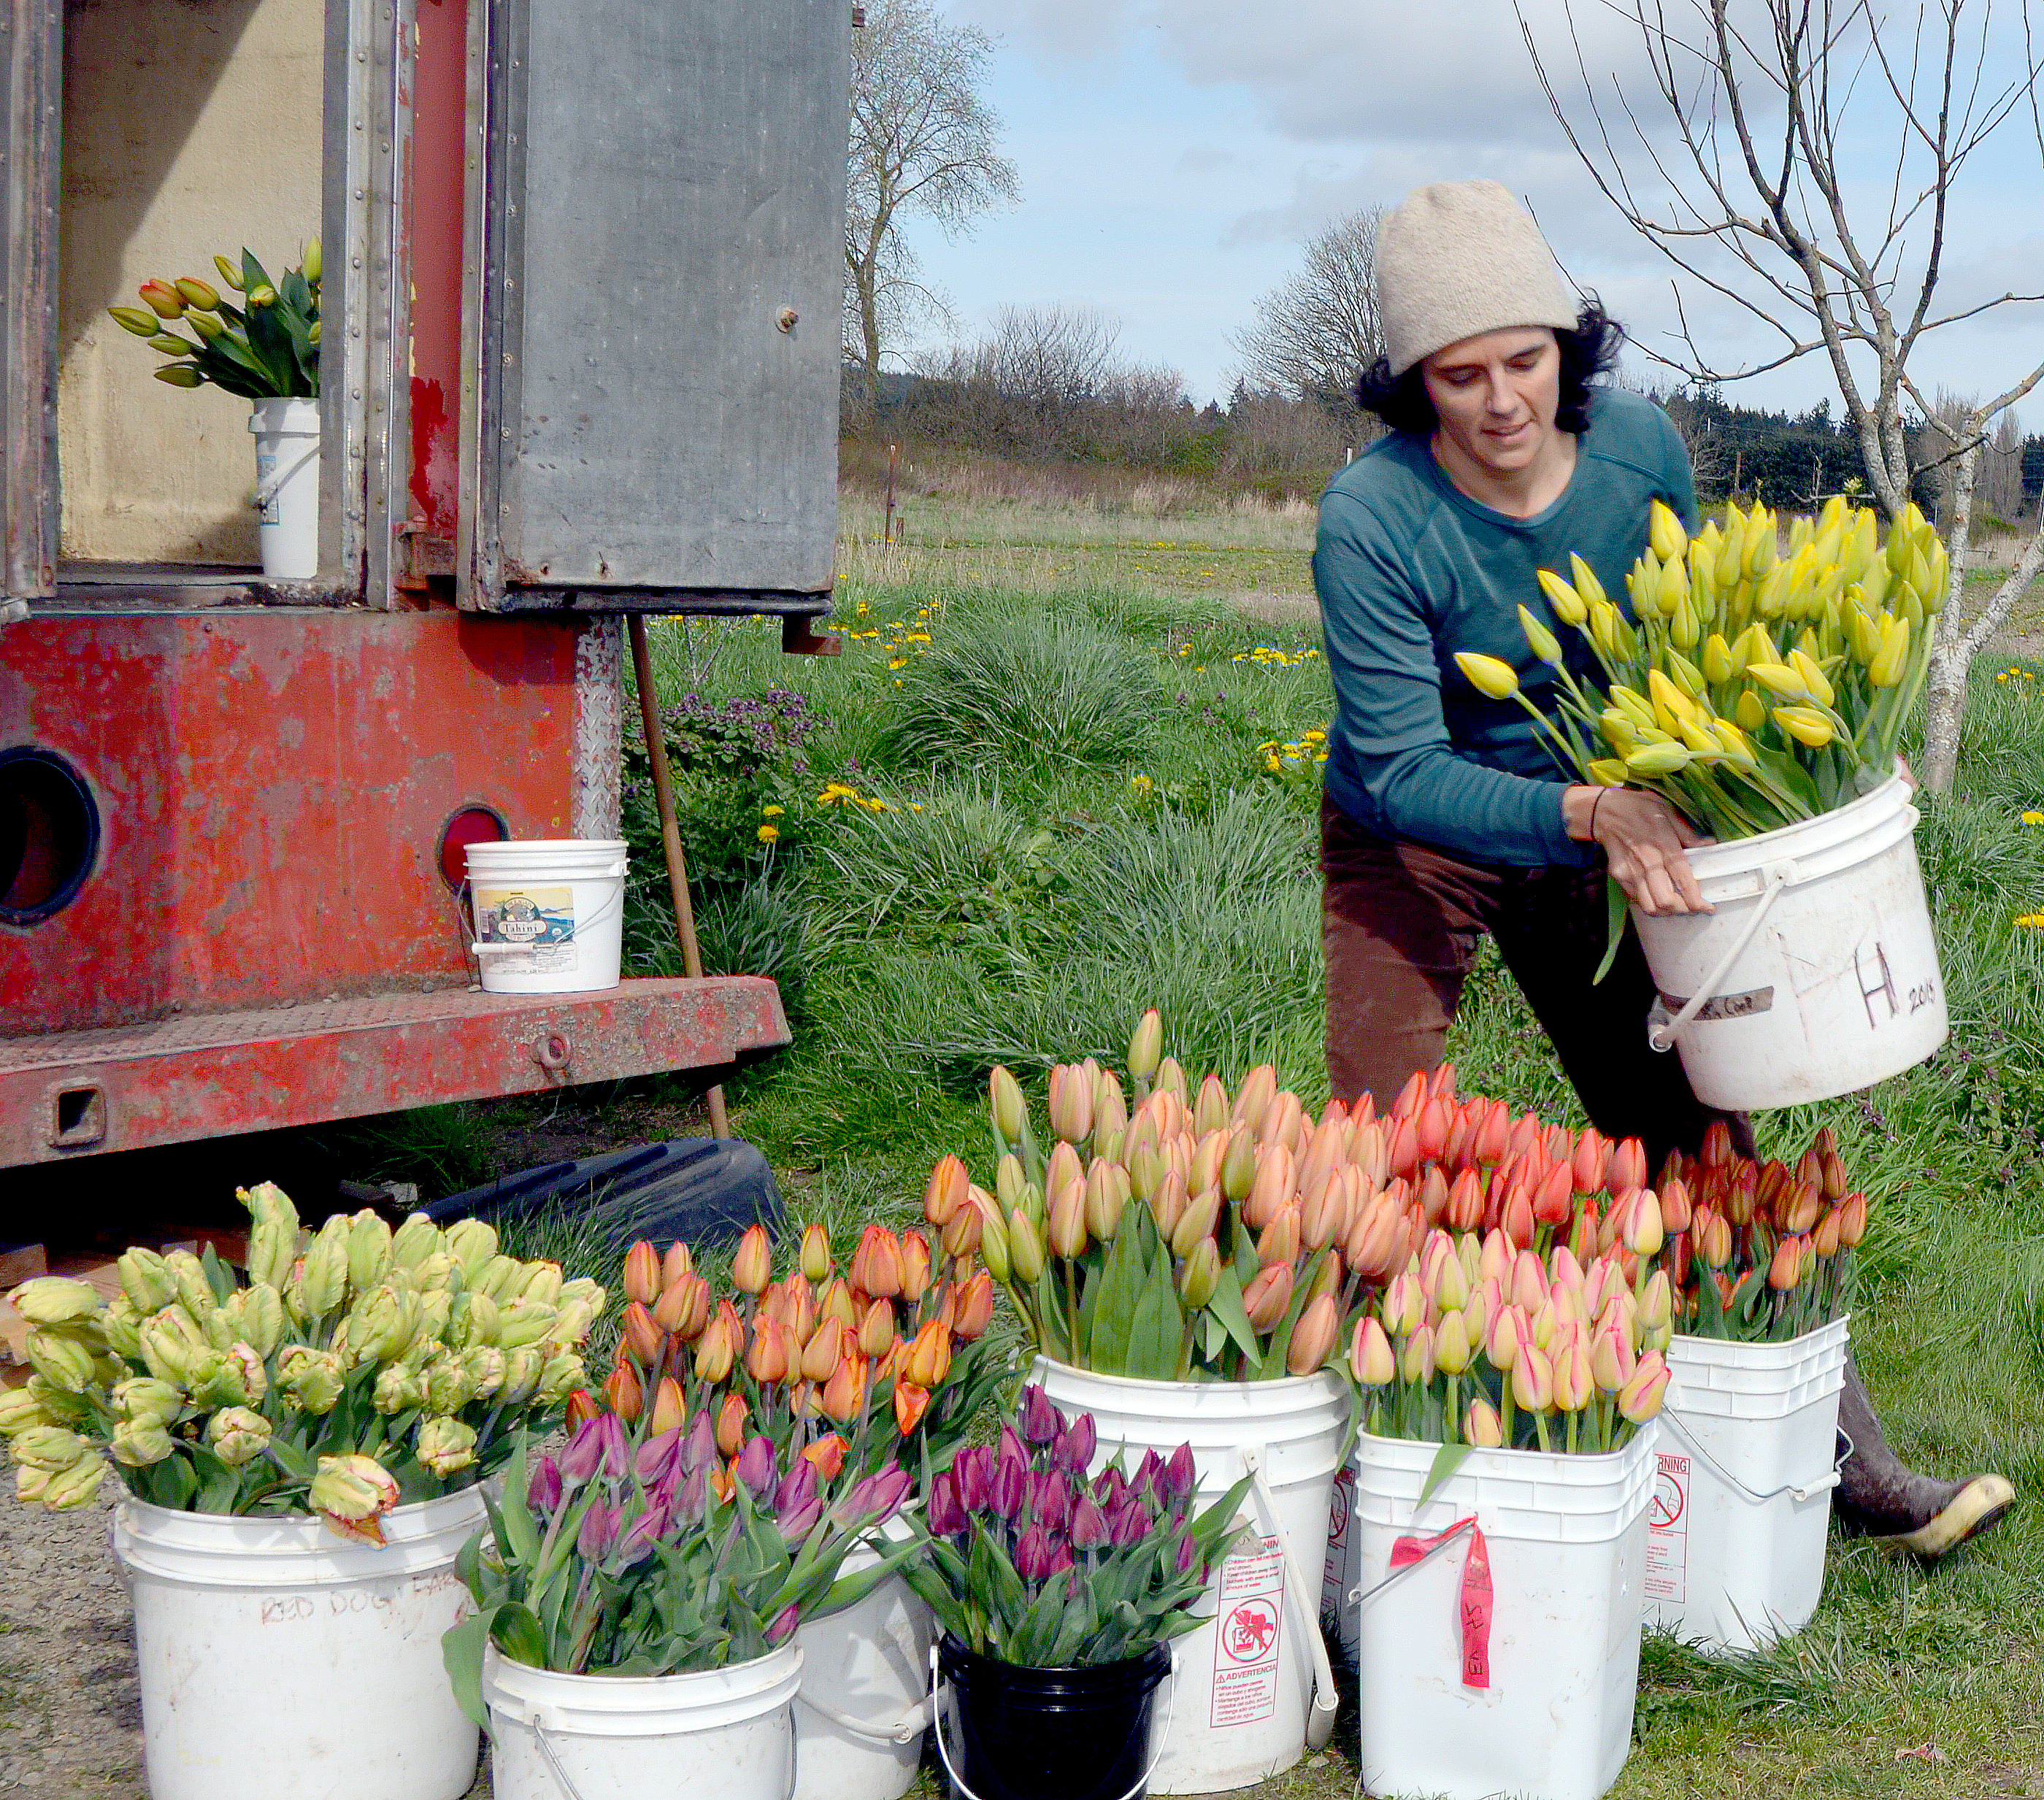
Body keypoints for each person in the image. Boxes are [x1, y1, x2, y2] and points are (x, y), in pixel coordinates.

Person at [1311, 177, 2013, 1558]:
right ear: (1412, 387)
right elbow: (1397, 768)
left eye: (1529, 357)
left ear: (1570, 346)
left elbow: (1675, 658)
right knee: (1381, 1157)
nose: (1506, 398)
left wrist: (1747, 792)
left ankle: (1844, 1457)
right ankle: (1371, 1503)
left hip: (1613, 830)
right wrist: (1588, 812)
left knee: (1695, 1132)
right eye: (1463, 374)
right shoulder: (1372, 520)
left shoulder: (1636, 453)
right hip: (1417, 846)